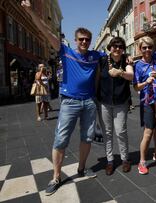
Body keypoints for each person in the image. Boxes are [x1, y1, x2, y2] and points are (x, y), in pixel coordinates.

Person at [22, 0, 104, 196]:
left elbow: (114, 57)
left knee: (87, 138)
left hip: (89, 102)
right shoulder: (65, 52)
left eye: (87, 39)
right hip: (69, 102)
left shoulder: (96, 56)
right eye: (81, 39)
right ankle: (56, 176)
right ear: (76, 40)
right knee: (60, 140)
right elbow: (45, 31)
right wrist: (30, 10)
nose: (84, 42)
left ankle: (82, 168)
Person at [133, 23, 156, 175]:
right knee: (148, 131)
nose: (147, 50)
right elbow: (136, 87)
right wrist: (145, 82)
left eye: (150, 47)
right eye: (144, 48)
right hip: (147, 101)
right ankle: (142, 161)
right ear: (139, 49)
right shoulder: (138, 65)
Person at [97, 37, 134, 175]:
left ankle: (125, 159)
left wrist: (120, 72)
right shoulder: (102, 61)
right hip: (104, 102)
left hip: (121, 102)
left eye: (119, 46)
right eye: (114, 46)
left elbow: (131, 76)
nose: (117, 48)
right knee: (107, 133)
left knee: (120, 132)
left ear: (123, 48)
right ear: (110, 47)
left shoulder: (126, 60)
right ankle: (110, 160)